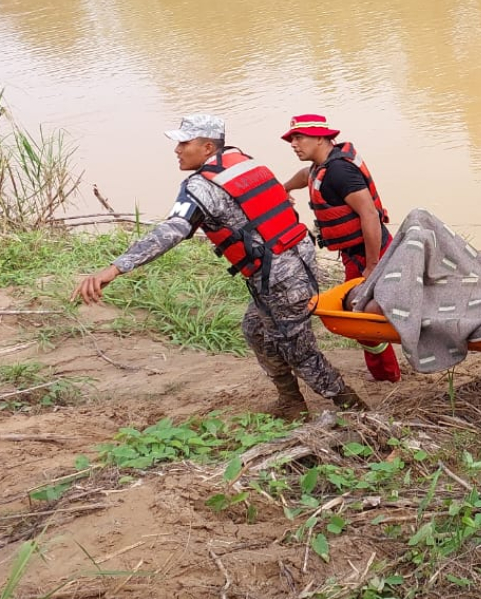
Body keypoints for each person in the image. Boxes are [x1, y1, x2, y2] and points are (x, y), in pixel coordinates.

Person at [73, 114, 369, 420]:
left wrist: (115, 269)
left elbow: (172, 231)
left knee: (301, 353)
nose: (177, 150)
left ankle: (356, 411)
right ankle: (291, 402)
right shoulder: (242, 161)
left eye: (184, 143)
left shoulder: (201, 187)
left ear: (206, 147)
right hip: (293, 263)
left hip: (280, 278)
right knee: (255, 329)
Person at [281, 114, 401, 384]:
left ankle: (388, 376)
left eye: (300, 137)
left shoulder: (339, 171)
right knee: (364, 318)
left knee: (363, 318)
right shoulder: (320, 166)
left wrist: (371, 267)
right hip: (355, 255)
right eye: (292, 138)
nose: (294, 144)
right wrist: (284, 187)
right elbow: (306, 177)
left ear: (321, 138)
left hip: (372, 254)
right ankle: (385, 374)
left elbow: (369, 215)